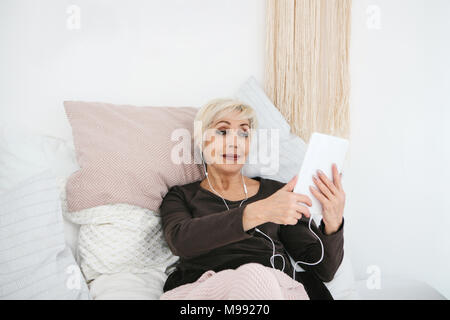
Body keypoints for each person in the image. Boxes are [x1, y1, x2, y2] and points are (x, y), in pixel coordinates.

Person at [160, 98, 345, 300]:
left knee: (261, 277)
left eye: (244, 133)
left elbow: (323, 270)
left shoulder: (277, 193)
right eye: (222, 131)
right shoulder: (181, 196)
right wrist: (258, 212)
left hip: (276, 288)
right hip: (207, 290)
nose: (235, 142)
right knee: (253, 275)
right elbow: (182, 242)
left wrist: (333, 224)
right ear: (201, 140)